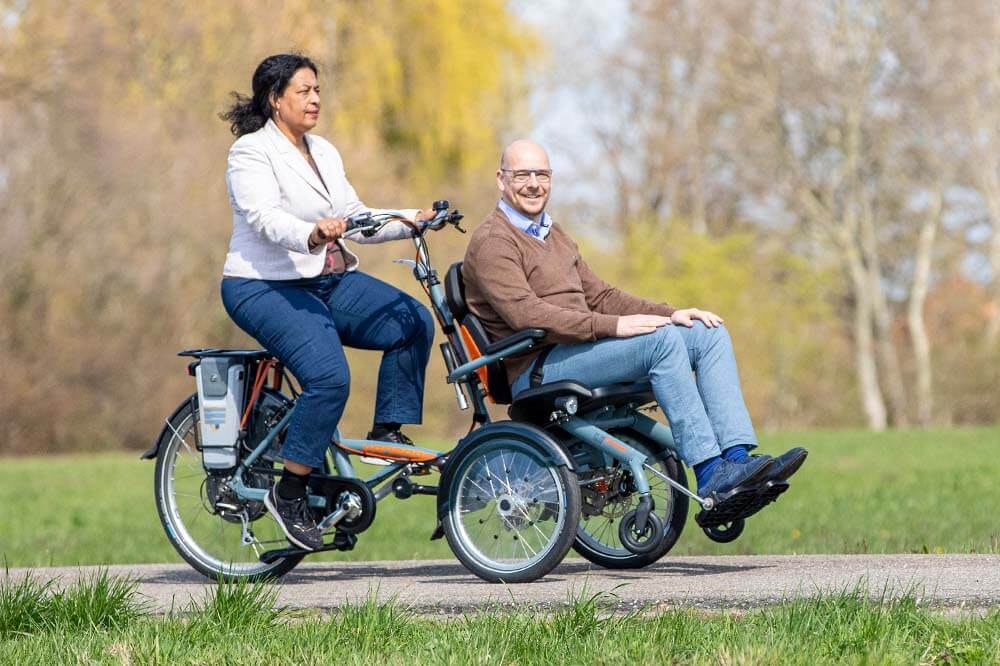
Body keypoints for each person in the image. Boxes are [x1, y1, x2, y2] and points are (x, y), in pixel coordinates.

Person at [462, 139, 806, 508]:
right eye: (522, 174)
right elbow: (527, 316)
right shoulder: (493, 242)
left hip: (578, 349)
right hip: (537, 365)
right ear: (501, 180)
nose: (533, 183)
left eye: (542, 174)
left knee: (707, 333)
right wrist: (611, 327)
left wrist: (670, 313)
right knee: (660, 343)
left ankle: (737, 463)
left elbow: (602, 296)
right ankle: (710, 472)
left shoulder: (553, 234)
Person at [219, 54, 437, 551]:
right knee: (329, 377)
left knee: (412, 321)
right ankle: (290, 490)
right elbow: (264, 219)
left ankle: (387, 433)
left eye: (317, 90)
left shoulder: (325, 152)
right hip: (263, 286)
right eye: (303, 91)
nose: (315, 99)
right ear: (275, 99)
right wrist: (312, 233)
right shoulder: (251, 153)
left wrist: (410, 219)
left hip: (324, 282)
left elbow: (356, 216)